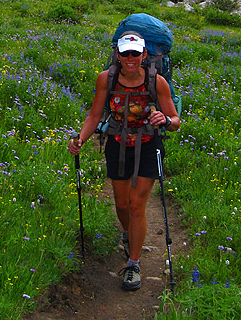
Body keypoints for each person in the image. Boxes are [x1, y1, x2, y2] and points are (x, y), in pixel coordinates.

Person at [67, 31, 180, 292]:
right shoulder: (106, 79)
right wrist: (80, 139)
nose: (130, 58)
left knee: (137, 205)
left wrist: (165, 120)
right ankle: (130, 234)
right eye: (125, 53)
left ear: (144, 55)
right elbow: (95, 114)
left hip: (149, 145)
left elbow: (175, 120)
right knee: (122, 204)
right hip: (117, 143)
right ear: (117, 55)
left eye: (135, 54)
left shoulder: (157, 82)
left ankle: (133, 263)